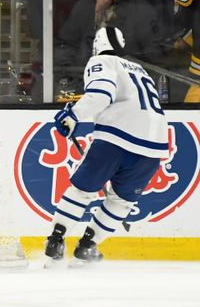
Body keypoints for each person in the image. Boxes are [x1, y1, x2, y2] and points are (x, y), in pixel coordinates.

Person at [45, 26, 168, 264]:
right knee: (122, 201)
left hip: (117, 137)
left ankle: (56, 241)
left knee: (83, 190)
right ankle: (88, 246)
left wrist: (72, 115)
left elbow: (101, 94)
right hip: (154, 146)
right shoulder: (140, 69)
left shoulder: (102, 62)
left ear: (97, 45)